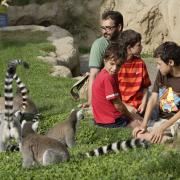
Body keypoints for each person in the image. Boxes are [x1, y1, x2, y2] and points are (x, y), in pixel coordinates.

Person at [133, 41, 180, 143]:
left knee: (152, 134)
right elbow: (153, 99)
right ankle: (168, 139)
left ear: (171, 62)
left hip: (176, 120)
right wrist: (144, 125)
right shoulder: (162, 73)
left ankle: (169, 139)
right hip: (163, 119)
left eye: (159, 64)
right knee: (139, 133)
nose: (157, 67)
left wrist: (163, 127)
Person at [92, 42, 142, 128]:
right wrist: (131, 116)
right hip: (110, 120)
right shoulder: (108, 78)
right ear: (105, 60)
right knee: (138, 124)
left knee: (135, 114)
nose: (115, 68)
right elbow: (118, 105)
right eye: (112, 64)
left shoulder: (105, 74)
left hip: (102, 118)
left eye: (118, 65)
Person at [83, 10, 124, 108]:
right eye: (103, 28)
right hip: (107, 87)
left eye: (109, 28)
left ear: (119, 27)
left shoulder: (125, 41)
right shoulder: (99, 45)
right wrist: (90, 102)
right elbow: (94, 74)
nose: (105, 31)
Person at [118, 29, 151, 116]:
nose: (141, 47)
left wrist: (143, 104)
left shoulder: (140, 63)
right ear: (129, 48)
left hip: (140, 106)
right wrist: (126, 106)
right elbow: (113, 93)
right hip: (122, 106)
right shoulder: (117, 66)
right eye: (138, 45)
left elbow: (145, 87)